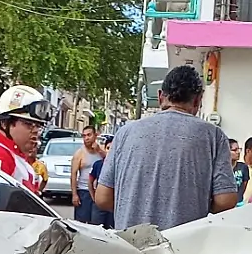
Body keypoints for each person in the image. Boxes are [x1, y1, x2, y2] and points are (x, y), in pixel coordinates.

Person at [93, 64, 237, 230]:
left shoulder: (125, 133)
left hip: (130, 247)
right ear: (197, 101)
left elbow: (103, 198)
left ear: (160, 96)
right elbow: (225, 201)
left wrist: (131, 208)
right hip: (182, 249)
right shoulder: (214, 136)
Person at [0, 84, 47, 194]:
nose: (35, 131)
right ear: (5, 123)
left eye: (38, 126)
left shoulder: (15, 154)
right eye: (29, 124)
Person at [68, 125, 103, 224]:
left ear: (95, 135)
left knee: (97, 223)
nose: (86, 138)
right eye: (84, 136)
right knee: (81, 223)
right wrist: (74, 194)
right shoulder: (79, 153)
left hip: (98, 191)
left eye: (89, 135)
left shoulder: (101, 150)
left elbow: (109, 162)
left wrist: (100, 151)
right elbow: (73, 174)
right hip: (84, 192)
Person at [90, 134, 114, 228]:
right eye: (108, 148)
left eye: (112, 149)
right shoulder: (98, 164)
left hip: (112, 205)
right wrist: (94, 197)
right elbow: (90, 181)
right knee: (96, 229)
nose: (110, 151)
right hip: (99, 205)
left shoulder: (120, 166)